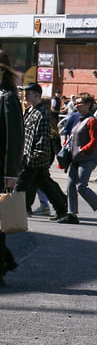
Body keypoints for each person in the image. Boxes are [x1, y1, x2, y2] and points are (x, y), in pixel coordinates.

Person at [60, 93, 97, 225]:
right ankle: (72, 214)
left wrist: (82, 150)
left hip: (87, 159)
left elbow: (94, 141)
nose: (77, 105)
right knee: (70, 186)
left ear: (88, 105)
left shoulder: (91, 121)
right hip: (75, 159)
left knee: (81, 186)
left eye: (80, 103)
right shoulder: (79, 118)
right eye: (76, 103)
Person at [15, 83, 68, 220]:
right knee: (44, 184)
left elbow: (43, 138)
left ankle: (19, 213)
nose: (25, 96)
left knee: (21, 186)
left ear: (37, 95)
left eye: (28, 93)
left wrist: (33, 157)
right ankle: (61, 209)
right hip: (30, 156)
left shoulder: (41, 113)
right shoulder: (31, 110)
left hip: (34, 158)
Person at [0, 51, 22, 284]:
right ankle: (6, 260)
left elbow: (14, 139)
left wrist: (10, 173)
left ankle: (3, 264)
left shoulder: (7, 98)